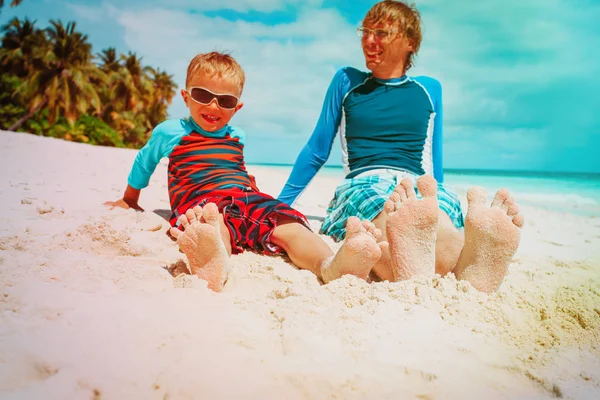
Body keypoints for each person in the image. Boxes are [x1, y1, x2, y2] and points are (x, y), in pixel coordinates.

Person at [277, 1, 524, 293]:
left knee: (437, 217)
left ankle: (464, 260)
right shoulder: (347, 82)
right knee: (386, 217)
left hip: (418, 182)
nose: (369, 40)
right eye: (365, 31)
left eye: (381, 32)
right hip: (365, 179)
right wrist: (279, 206)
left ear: (409, 41)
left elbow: (434, 159)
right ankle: (454, 266)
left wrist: (436, 197)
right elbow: (317, 150)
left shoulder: (429, 89)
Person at [105, 51, 387, 292]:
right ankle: (215, 262)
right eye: (203, 95)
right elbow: (145, 162)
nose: (213, 105)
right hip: (200, 202)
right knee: (213, 228)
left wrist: (252, 188)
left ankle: (329, 266)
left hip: (245, 197)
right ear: (186, 96)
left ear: (236, 108)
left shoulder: (236, 135)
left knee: (289, 225)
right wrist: (131, 199)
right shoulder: (171, 132)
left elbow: (235, 168)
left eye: (225, 101)